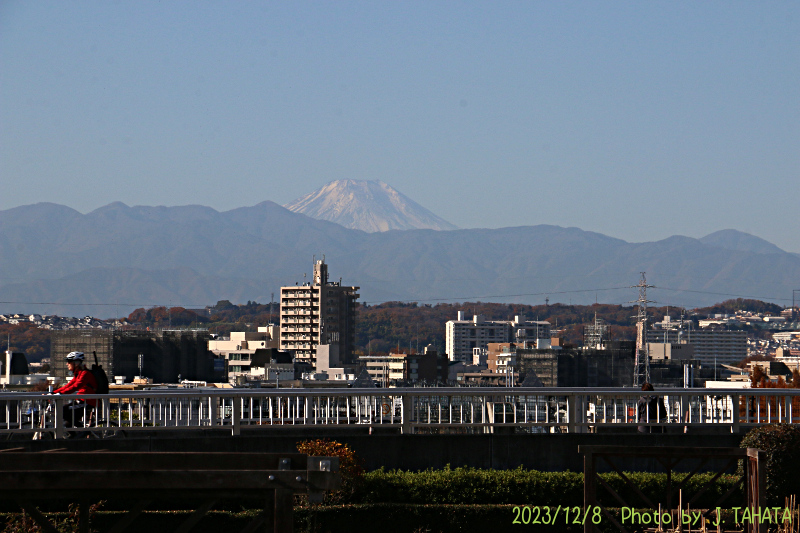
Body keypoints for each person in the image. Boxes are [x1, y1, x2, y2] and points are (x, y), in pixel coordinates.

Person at [52, 352, 98, 429]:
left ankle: (85, 431)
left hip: (88, 401)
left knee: (63, 411)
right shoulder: (78, 374)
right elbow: (68, 385)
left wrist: (60, 393)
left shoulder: (85, 374)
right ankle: (75, 438)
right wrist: (53, 392)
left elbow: (75, 387)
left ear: (76, 363)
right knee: (68, 424)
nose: (67, 364)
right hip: (81, 400)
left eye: (69, 361)